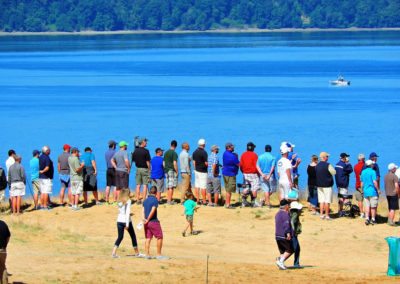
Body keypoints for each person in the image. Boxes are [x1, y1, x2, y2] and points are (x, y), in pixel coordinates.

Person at [112, 188, 145, 258]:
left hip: (119, 220)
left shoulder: (119, 201)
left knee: (120, 237)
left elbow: (122, 211)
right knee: (133, 236)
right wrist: (127, 224)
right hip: (126, 221)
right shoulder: (128, 201)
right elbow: (127, 213)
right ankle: (137, 253)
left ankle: (113, 253)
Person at [142, 186, 169, 260]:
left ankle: (147, 254)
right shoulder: (155, 200)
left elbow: (143, 211)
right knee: (159, 237)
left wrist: (144, 219)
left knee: (148, 238)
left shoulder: (145, 200)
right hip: (153, 221)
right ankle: (159, 255)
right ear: (156, 193)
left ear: (150, 192)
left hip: (146, 222)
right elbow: (153, 210)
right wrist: (148, 219)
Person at [315, 152, 336, 220]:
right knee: (327, 201)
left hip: (319, 185)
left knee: (321, 201)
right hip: (327, 185)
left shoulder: (317, 165)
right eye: (327, 156)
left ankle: (321, 214)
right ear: (324, 157)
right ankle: (327, 215)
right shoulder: (328, 165)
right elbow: (334, 172)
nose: (328, 158)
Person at [240, 142, 261, 207]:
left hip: (245, 174)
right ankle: (253, 202)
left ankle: (244, 201)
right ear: (252, 148)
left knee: (246, 188)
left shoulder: (243, 155)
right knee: (254, 188)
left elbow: (241, 165)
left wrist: (243, 172)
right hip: (253, 174)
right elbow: (256, 165)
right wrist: (259, 174)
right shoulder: (254, 155)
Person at [275, 199, 293, 270]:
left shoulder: (277, 213)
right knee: (290, 250)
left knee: (283, 251)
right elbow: (286, 224)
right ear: (286, 206)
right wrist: (288, 233)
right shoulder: (285, 214)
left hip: (277, 235)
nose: (289, 207)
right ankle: (280, 261)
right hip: (283, 235)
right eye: (288, 205)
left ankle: (281, 264)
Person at [132, 137, 151, 204]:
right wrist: (150, 170)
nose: (146, 143)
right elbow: (148, 162)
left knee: (138, 185)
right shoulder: (146, 151)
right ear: (142, 142)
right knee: (145, 185)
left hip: (138, 169)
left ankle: (137, 199)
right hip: (145, 169)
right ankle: (144, 199)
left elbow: (133, 160)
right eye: (145, 142)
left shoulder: (135, 151)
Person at [361, 160, 380, 225]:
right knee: (373, 206)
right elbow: (374, 182)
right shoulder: (373, 172)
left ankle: (367, 218)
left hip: (365, 191)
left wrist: (362, 190)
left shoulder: (363, 172)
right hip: (372, 191)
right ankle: (373, 219)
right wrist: (378, 189)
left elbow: (362, 182)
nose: (373, 165)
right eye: (372, 164)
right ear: (371, 165)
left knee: (367, 206)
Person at [335, 153, 354, 217]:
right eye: (346, 157)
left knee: (340, 197)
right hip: (344, 183)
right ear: (344, 158)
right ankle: (342, 211)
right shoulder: (344, 165)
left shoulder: (337, 165)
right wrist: (348, 163)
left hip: (338, 183)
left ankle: (340, 210)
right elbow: (351, 170)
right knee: (344, 198)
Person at [222, 142, 239, 209]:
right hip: (230, 174)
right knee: (229, 190)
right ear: (228, 147)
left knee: (227, 189)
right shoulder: (232, 156)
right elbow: (238, 164)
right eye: (232, 147)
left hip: (225, 173)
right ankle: (228, 204)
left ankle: (227, 203)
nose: (233, 148)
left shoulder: (224, 153)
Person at [192, 139, 208, 205]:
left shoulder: (195, 152)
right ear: (204, 144)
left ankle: (198, 200)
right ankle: (204, 201)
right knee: (203, 186)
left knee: (197, 186)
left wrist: (195, 168)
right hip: (203, 171)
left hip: (196, 170)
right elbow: (206, 163)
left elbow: (194, 162)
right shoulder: (204, 152)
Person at [39, 146, 54, 210]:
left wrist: (40, 171)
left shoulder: (40, 157)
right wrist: (43, 171)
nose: (50, 151)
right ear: (46, 151)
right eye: (49, 150)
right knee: (46, 192)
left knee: (42, 192)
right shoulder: (47, 158)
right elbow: (47, 167)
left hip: (41, 178)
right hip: (46, 177)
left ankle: (42, 205)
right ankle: (45, 206)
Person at [164, 140, 179, 205]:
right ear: (176, 146)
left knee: (168, 186)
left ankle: (168, 199)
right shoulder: (174, 153)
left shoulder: (166, 153)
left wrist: (165, 169)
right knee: (171, 186)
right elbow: (175, 163)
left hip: (166, 170)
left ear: (170, 144)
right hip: (171, 170)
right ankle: (169, 201)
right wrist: (177, 171)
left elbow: (164, 163)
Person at [290, 201, 303, 268]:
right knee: (296, 248)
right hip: (293, 235)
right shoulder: (295, 214)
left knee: (294, 249)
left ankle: (296, 263)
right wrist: (293, 232)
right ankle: (296, 264)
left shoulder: (292, 213)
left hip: (292, 234)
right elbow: (292, 222)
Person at [354, 154, 366, 218]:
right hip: (364, 185)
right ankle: (366, 213)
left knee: (359, 200)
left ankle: (361, 213)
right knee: (366, 200)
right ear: (363, 159)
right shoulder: (365, 166)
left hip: (357, 185)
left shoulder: (355, 166)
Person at [0, 220, 11, 284]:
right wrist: (5, 246)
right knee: (3, 267)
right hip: (2, 250)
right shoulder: (3, 223)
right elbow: (8, 236)